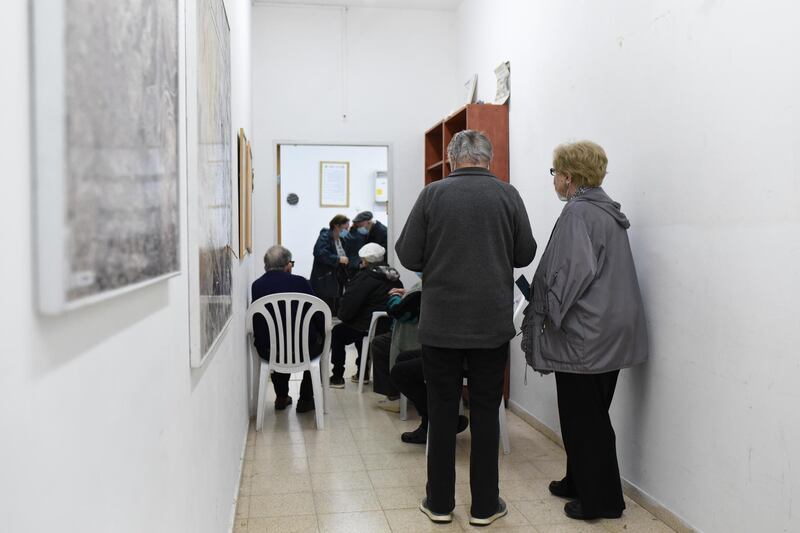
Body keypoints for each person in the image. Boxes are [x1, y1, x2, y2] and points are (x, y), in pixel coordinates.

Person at [396, 130, 537, 526]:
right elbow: (525, 254)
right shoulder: (508, 195)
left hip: (440, 325)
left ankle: (439, 504)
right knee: (487, 413)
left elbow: (408, 254)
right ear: (488, 159)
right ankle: (484, 507)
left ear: (454, 159)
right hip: (490, 326)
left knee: (441, 413)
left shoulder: (432, 195)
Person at [521, 141, 649, 521]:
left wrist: (544, 311)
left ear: (569, 177)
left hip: (586, 334)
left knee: (584, 419)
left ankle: (603, 501)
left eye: (554, 173)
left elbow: (570, 274)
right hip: (610, 330)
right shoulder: (605, 211)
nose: (554, 181)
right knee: (589, 412)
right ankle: (577, 481)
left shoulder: (579, 213)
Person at [251, 245, 325, 413]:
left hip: (269, 351)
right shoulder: (301, 282)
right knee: (319, 344)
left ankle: (282, 396)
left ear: (266, 266)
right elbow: (318, 314)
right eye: (291, 262)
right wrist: (323, 333)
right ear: (287, 265)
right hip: (304, 349)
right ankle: (306, 400)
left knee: (278, 342)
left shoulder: (257, 286)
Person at [329, 243, 403, 388]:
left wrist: (343, 315)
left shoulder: (364, 277)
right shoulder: (393, 276)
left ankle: (337, 376)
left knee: (339, 332)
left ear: (365, 260)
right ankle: (362, 373)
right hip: (387, 328)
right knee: (362, 330)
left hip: (367, 327)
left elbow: (348, 307)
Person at [390, 349, 469, 444]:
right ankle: (438, 420)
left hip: (466, 356)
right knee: (403, 358)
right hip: (454, 349)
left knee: (399, 373)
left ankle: (435, 423)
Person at [310, 214, 351, 313]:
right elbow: (319, 253)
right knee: (326, 309)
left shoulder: (342, 240)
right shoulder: (324, 236)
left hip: (337, 278)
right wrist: (338, 259)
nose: (347, 230)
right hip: (325, 278)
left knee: (336, 308)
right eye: (345, 228)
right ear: (336, 226)